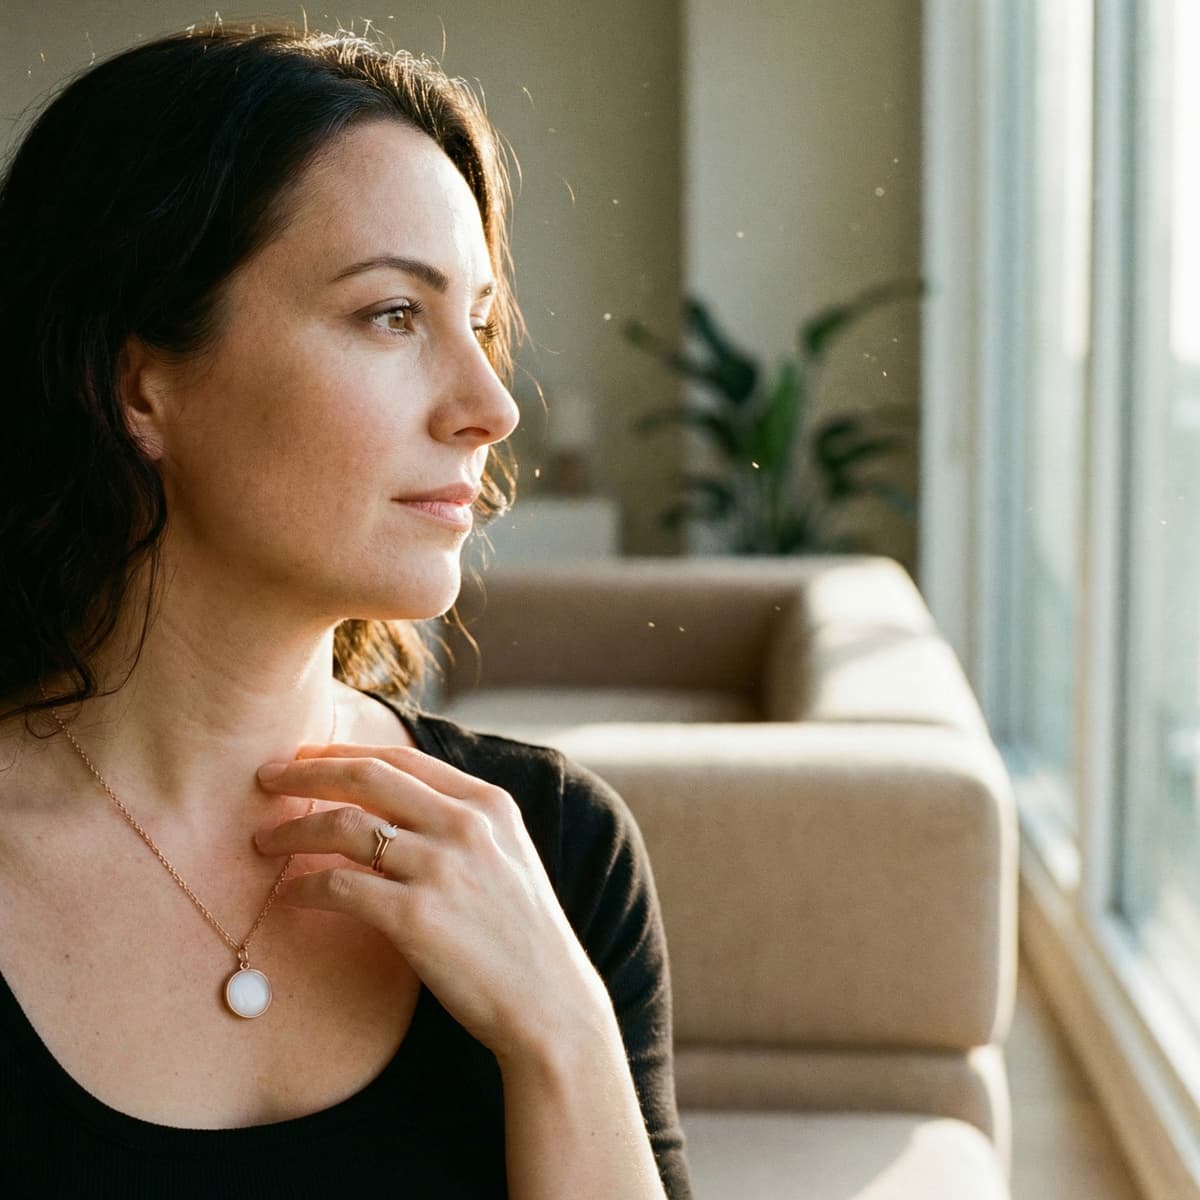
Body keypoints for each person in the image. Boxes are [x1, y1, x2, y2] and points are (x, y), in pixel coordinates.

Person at [0, 22, 692, 1197]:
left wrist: (561, 1034)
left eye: (476, 322)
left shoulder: (555, 852)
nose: (490, 406)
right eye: (391, 316)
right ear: (138, 386)